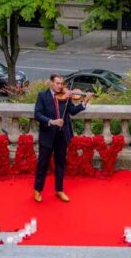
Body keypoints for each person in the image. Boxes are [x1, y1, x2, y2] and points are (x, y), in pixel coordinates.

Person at [33, 73, 93, 202]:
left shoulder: (66, 96)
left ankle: (59, 190)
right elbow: (37, 114)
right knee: (43, 164)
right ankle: (38, 190)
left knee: (60, 164)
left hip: (62, 135)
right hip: (47, 135)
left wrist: (84, 102)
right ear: (51, 83)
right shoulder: (42, 96)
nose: (60, 86)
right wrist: (52, 121)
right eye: (57, 83)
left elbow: (71, 111)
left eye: (61, 83)